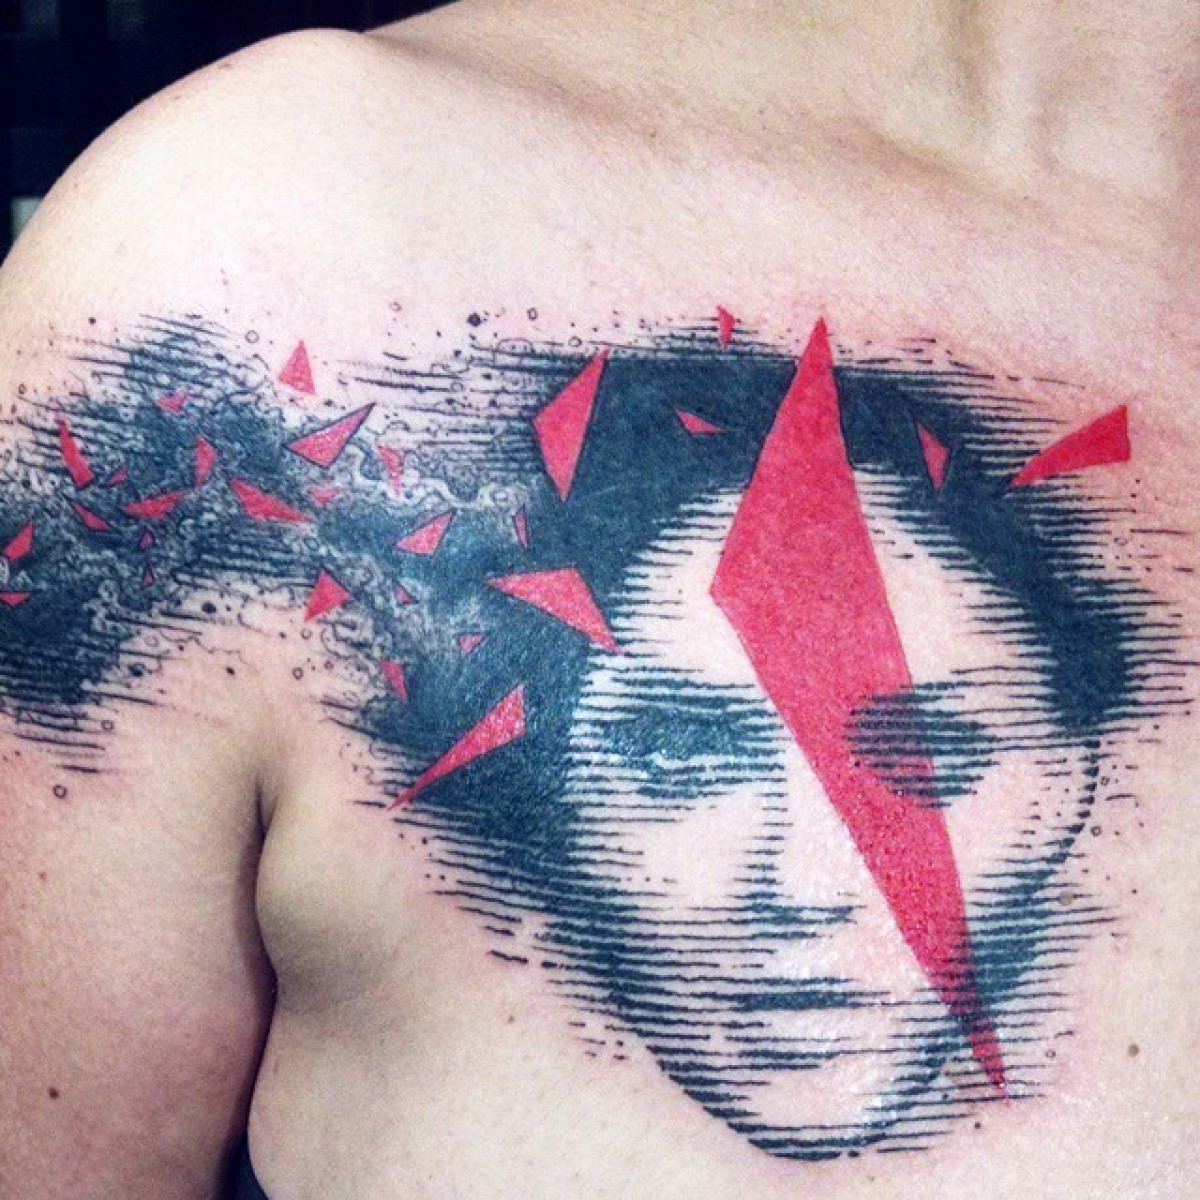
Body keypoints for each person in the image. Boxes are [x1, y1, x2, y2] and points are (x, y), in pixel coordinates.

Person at [0, 2, 1196, 1198]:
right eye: (679, 753)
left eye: (929, 756)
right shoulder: (267, 249)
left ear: (1074, 785)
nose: (803, 890)